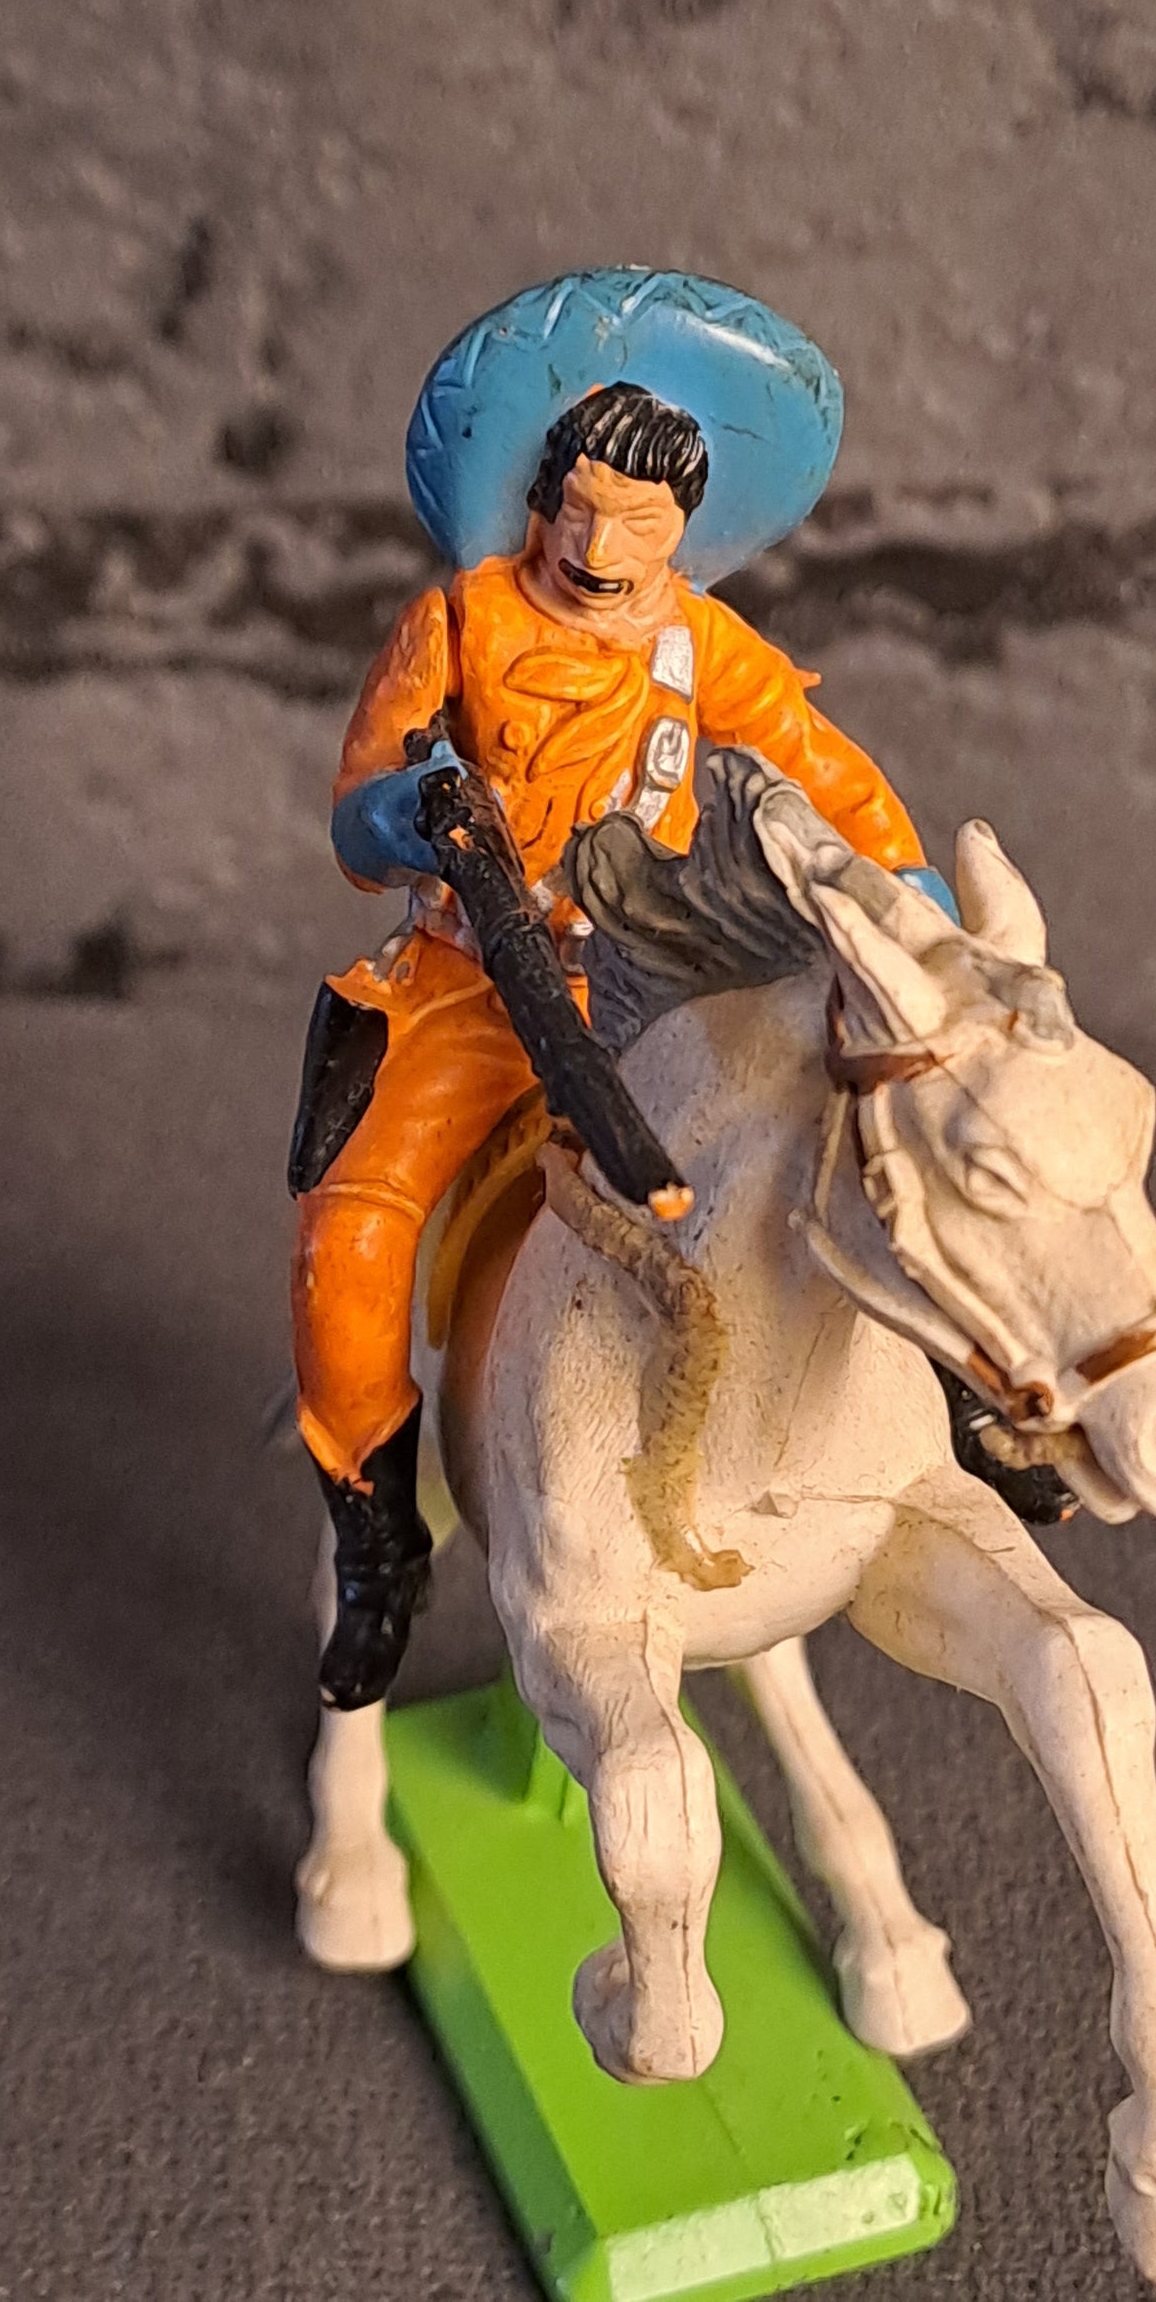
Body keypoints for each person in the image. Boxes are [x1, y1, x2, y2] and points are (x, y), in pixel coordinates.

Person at [290, 378, 982, 1710]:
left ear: (682, 533)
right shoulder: (456, 622)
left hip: (652, 988)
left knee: (855, 1137)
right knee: (349, 1240)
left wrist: (912, 902)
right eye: (583, 510)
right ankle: (377, 1539)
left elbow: (825, 772)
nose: (601, 549)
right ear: (543, 504)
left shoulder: (701, 646)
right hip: (464, 992)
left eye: (641, 524)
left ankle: (967, 1402)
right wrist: (418, 809)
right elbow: (355, 814)